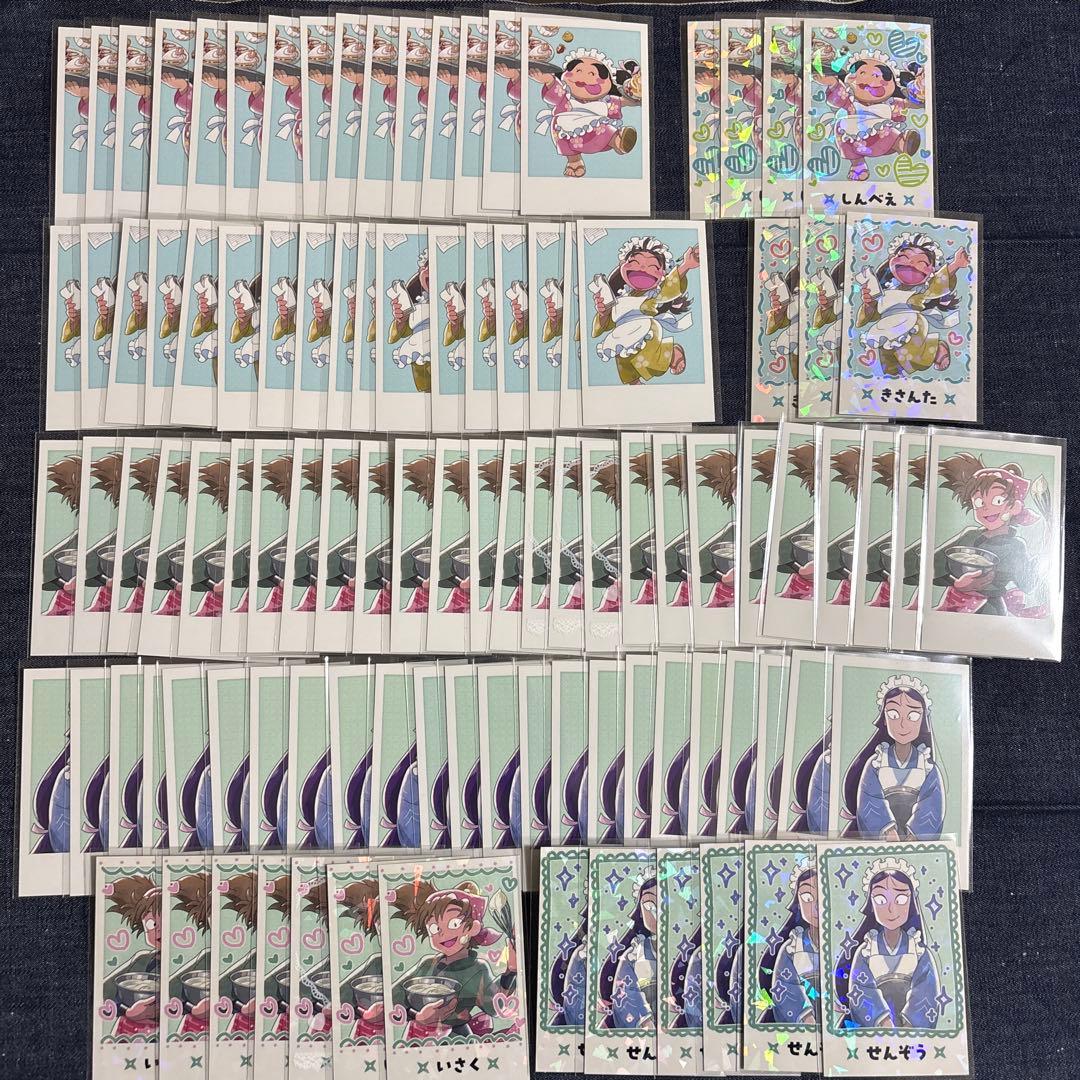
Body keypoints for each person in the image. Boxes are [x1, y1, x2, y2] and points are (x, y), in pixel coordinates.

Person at [389, 879, 517, 1039]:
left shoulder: (478, 969)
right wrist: (417, 1016)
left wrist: (510, 972)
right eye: (434, 928)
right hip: (418, 1035)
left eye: (454, 924)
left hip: (457, 1037)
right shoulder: (427, 964)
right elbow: (393, 997)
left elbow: (494, 1006)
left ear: (473, 927)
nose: (442, 933)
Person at [837, 857, 941, 1028]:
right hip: (875, 1032)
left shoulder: (919, 951)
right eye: (880, 900)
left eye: (900, 899)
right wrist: (884, 1023)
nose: (891, 909)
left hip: (910, 1034)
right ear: (871, 902)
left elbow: (927, 994)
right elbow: (860, 992)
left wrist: (908, 1029)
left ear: (911, 901)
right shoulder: (866, 951)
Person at [591, 236, 698, 385]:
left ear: (662, 273)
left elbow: (669, 286)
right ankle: (634, 382)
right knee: (622, 359)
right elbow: (605, 325)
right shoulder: (618, 295)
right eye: (635, 263)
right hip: (621, 333)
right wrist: (603, 313)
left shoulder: (653, 294)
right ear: (622, 265)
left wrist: (686, 265)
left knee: (650, 357)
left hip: (645, 330)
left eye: (652, 267)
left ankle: (671, 353)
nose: (642, 269)